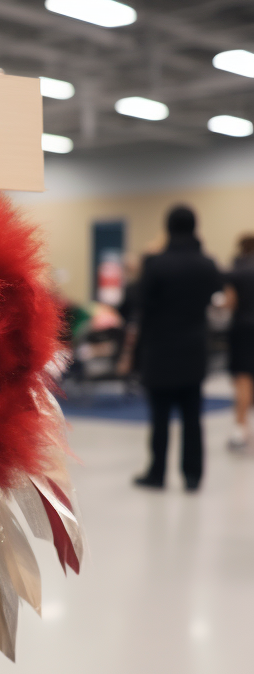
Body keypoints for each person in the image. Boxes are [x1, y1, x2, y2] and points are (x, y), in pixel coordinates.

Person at [133, 205, 222, 492]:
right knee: (192, 418)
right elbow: (213, 298)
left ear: (167, 228)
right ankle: (192, 475)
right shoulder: (207, 264)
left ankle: (157, 473)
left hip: (160, 350)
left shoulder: (156, 264)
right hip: (194, 350)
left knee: (159, 418)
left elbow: (141, 307)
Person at [223, 234, 254, 451]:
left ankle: (240, 431)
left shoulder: (237, 271)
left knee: (243, 379)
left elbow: (230, 302)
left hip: (243, 329)